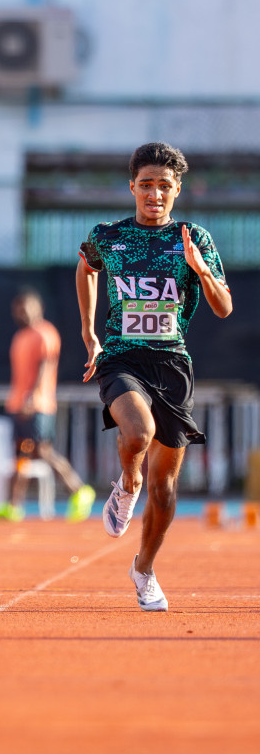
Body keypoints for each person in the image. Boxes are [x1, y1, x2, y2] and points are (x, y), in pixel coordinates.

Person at [78, 142, 230, 612]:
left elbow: (224, 307)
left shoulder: (193, 238)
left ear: (177, 189)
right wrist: (89, 332)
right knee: (138, 432)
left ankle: (143, 569)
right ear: (132, 187)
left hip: (172, 366)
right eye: (146, 185)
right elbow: (86, 266)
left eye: (164, 186)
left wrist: (201, 271)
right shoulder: (109, 236)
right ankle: (126, 484)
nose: (154, 194)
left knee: (166, 489)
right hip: (122, 358)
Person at [0, 289, 96, 522]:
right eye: (18, 308)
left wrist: (31, 398)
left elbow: (45, 368)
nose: (21, 312)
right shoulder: (20, 336)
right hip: (18, 404)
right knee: (20, 454)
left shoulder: (45, 333)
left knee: (42, 451)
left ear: (38, 308)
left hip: (37, 405)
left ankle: (80, 491)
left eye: (26, 307)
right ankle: (13, 506)